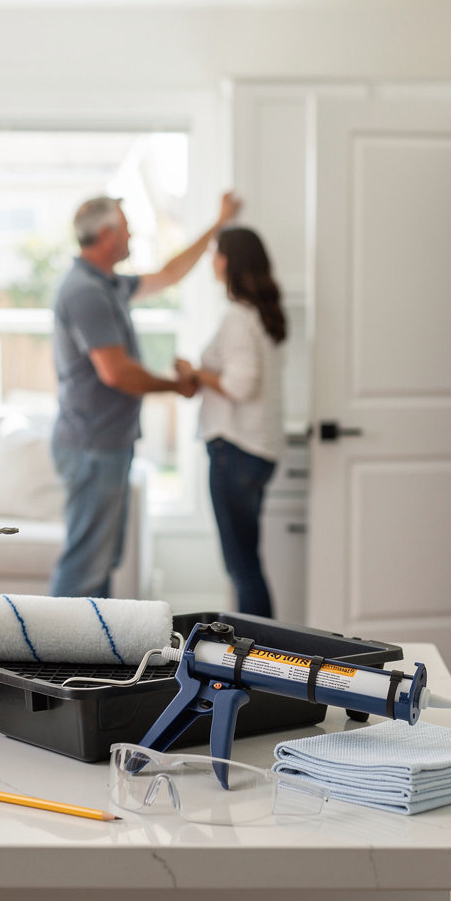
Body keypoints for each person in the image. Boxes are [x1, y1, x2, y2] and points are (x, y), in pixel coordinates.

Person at [49, 191, 241, 598]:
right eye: (126, 225)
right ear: (107, 234)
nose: (133, 233)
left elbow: (170, 274)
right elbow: (115, 372)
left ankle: (87, 656)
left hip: (106, 445)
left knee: (101, 564)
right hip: (92, 448)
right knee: (85, 568)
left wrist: (218, 222)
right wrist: (177, 385)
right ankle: (49, 658)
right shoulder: (86, 291)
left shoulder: (110, 283)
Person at [175, 226, 286, 618]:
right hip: (258, 450)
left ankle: (256, 658)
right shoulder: (262, 314)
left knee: (242, 568)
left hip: (234, 450)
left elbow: (240, 384)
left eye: (216, 253)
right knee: (248, 564)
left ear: (231, 261)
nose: (212, 261)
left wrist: (195, 371)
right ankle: (260, 655)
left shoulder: (238, 316)